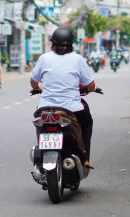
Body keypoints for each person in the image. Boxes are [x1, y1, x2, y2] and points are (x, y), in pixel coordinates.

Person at [30, 27, 98, 169]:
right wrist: (92, 89)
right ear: (71, 44)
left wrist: (38, 89)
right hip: (72, 109)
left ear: (53, 43)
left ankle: (40, 156)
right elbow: (90, 85)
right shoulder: (77, 59)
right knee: (86, 123)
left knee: (40, 124)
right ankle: (84, 157)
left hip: (46, 107)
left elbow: (33, 82)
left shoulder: (44, 58)